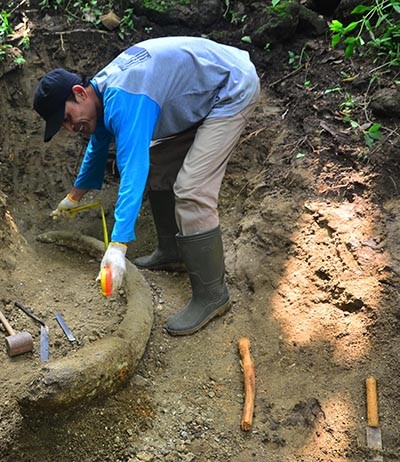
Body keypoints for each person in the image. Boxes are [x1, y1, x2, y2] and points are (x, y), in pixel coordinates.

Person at [33, 36, 260, 336]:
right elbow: (98, 146)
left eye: (66, 118)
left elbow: (133, 169)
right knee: (157, 162)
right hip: (208, 86)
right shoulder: (100, 93)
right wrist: (74, 197)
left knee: (192, 190)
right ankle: (173, 251)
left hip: (231, 88)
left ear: (78, 93)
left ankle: (212, 296)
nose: (69, 128)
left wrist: (118, 245)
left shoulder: (125, 98)